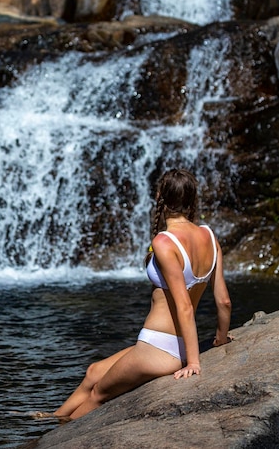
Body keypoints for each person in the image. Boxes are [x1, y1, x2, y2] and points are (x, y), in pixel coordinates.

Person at [39, 168, 232, 421]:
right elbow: (224, 301)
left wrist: (193, 363)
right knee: (94, 372)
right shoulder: (209, 236)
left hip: (160, 348)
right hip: (170, 344)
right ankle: (52, 419)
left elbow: (184, 306)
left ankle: (57, 438)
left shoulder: (165, 242)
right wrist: (220, 338)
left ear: (159, 195)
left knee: (98, 394)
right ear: (192, 199)